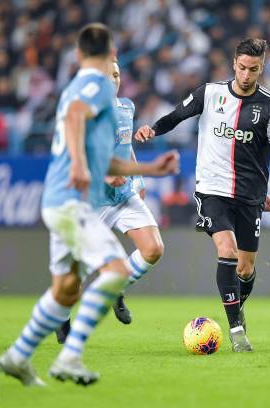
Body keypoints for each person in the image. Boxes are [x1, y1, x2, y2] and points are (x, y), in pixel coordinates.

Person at [0, 23, 178, 387]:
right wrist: (81, 165)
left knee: (65, 290)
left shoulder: (82, 91)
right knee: (115, 272)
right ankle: (69, 358)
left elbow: (109, 159)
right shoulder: (91, 85)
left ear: (78, 54)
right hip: (75, 201)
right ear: (107, 54)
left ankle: (16, 357)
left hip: (62, 199)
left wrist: (147, 170)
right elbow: (77, 116)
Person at [135, 38, 270, 352]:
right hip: (212, 189)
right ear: (233, 63)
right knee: (227, 249)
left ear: (261, 68)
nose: (247, 75)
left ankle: (236, 307)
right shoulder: (210, 94)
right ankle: (236, 330)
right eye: (242, 68)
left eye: (254, 69)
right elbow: (176, 116)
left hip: (250, 195)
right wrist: (152, 129)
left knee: (246, 268)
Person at [54, 58, 164, 343]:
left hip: (123, 196)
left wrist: (137, 180)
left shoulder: (126, 107)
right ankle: (62, 321)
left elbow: (125, 147)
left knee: (153, 249)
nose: (113, 80)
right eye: (107, 75)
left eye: (116, 75)